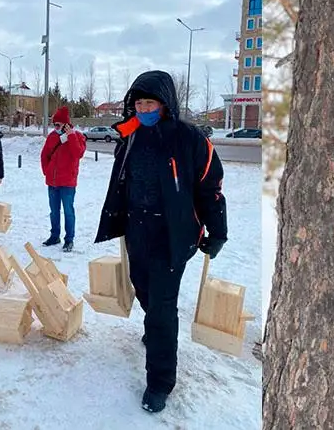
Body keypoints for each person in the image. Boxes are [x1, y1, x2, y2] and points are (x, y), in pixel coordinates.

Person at [95, 70, 228, 414]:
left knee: (163, 310)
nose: (143, 108)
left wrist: (218, 230)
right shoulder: (131, 136)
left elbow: (209, 186)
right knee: (142, 289)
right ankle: (154, 329)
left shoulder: (188, 139)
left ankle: (160, 383)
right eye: (138, 102)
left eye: (149, 102)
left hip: (172, 235)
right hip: (137, 230)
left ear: (165, 104)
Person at [40, 106, 86, 252]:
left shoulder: (78, 136)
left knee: (68, 211)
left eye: (58, 125)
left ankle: (69, 239)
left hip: (67, 183)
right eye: (54, 125)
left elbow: (78, 153)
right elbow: (44, 155)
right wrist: (47, 172)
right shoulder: (52, 137)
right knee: (54, 211)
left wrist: (71, 136)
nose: (56, 128)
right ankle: (54, 236)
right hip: (52, 182)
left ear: (66, 124)